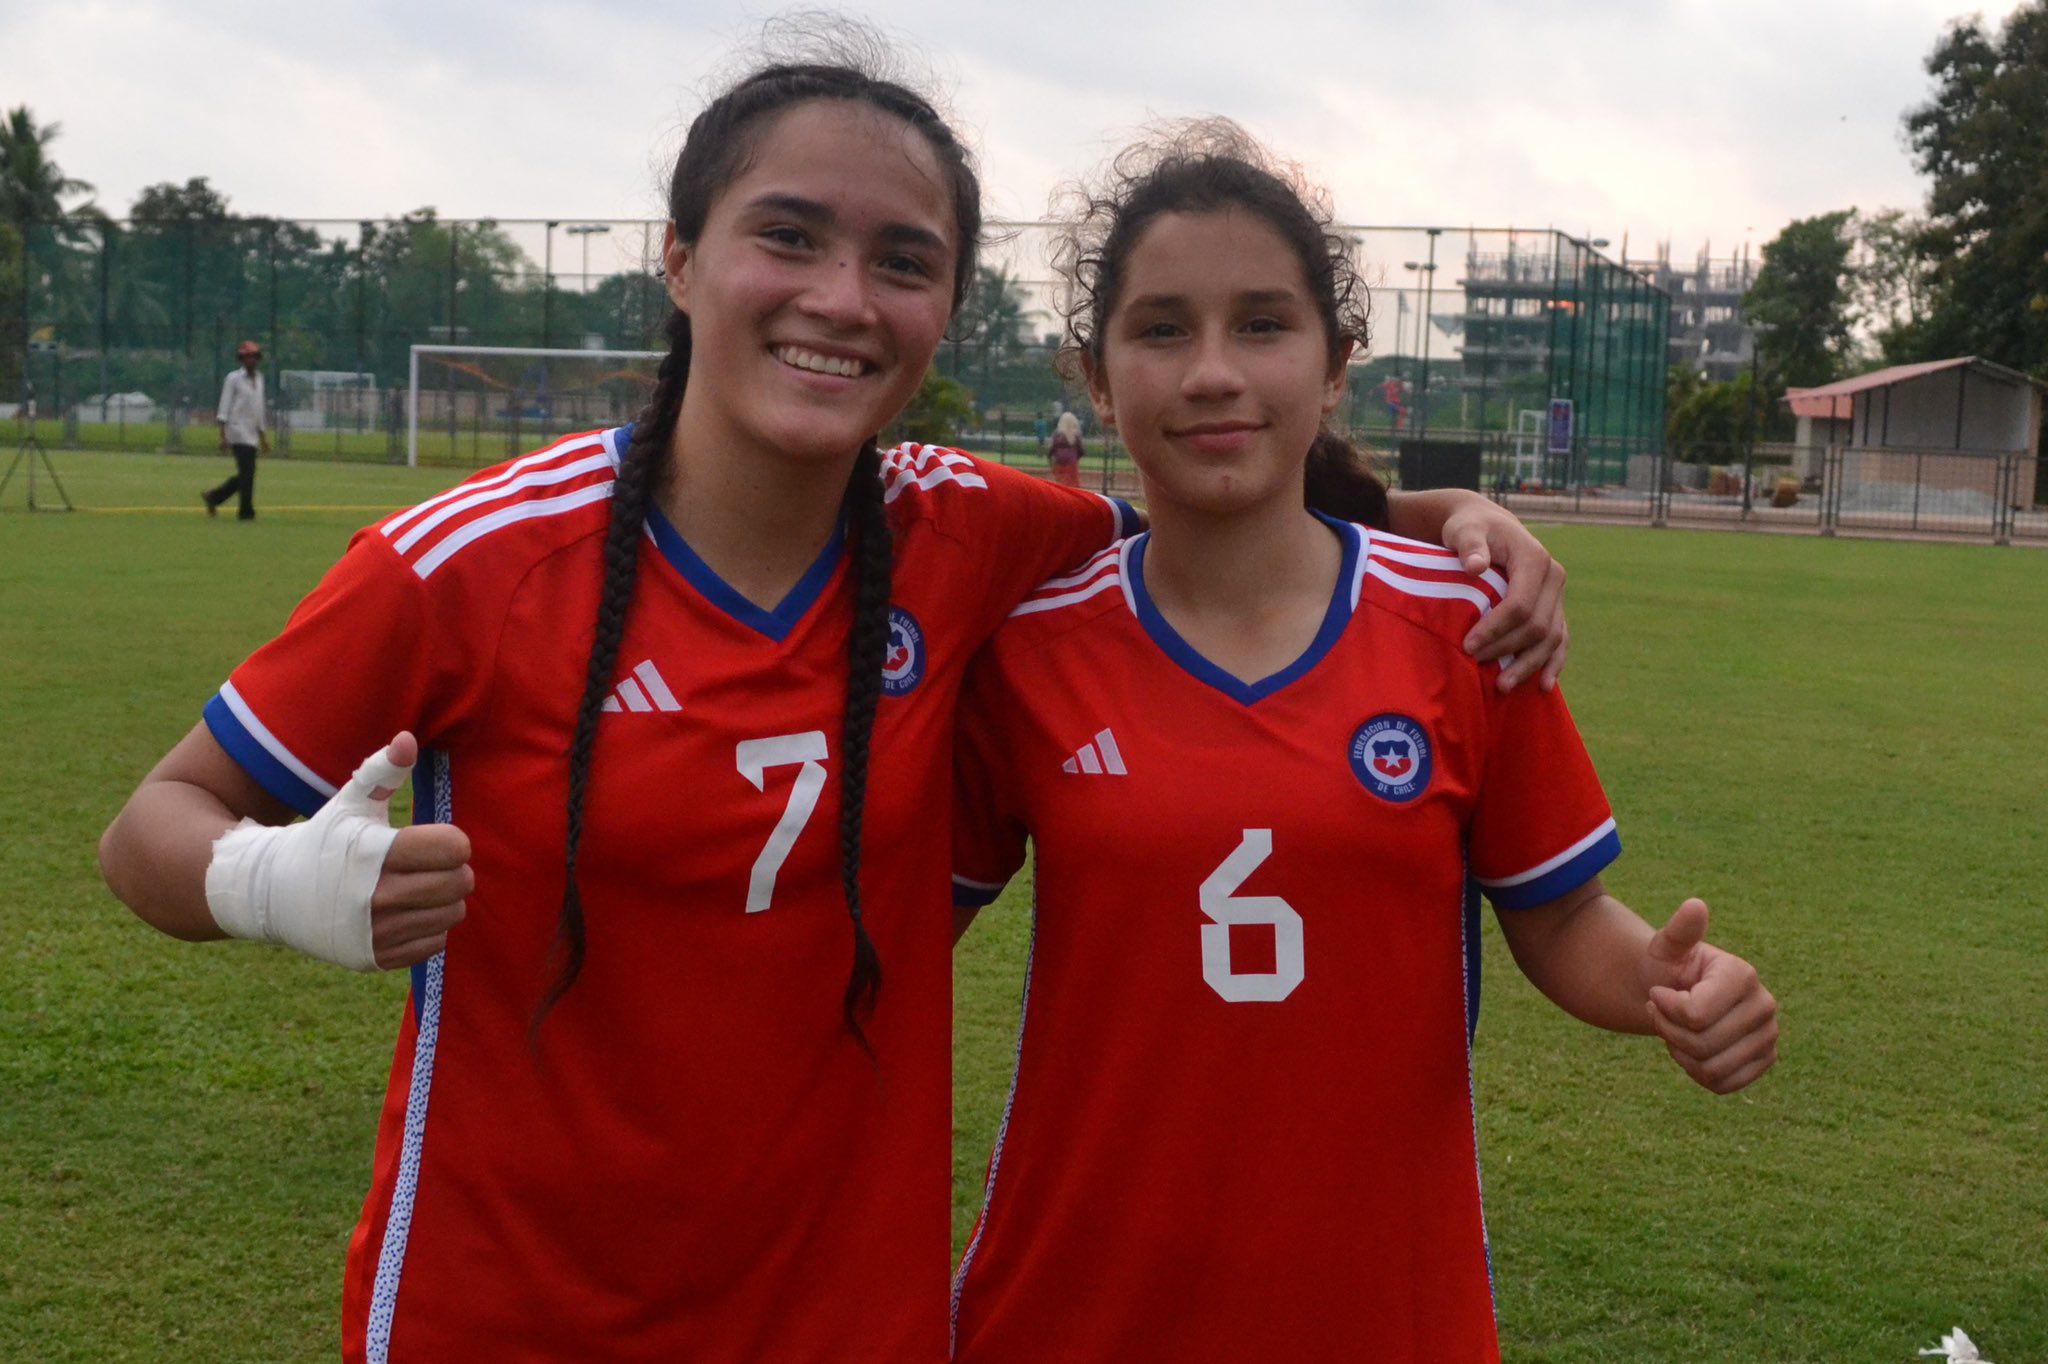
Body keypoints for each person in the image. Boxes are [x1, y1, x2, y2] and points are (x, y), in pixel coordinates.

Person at [98, 42, 1568, 1361]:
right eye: (787, 238)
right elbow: (152, 827)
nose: (840, 300)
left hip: (845, 1321)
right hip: (511, 1310)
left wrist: (1434, 517)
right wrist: (280, 877)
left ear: (944, 308)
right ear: (680, 259)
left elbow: (1221, 523)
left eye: (903, 260)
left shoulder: (973, 533)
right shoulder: (473, 565)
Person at [948, 125, 1778, 1362]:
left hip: (1384, 1305)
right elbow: (892, 931)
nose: (1213, 371)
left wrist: (1668, 986)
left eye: (1264, 325)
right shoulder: (1025, 647)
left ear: (1336, 366)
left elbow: (1556, 920)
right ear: (1093, 370)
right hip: (1074, 1304)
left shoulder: (1463, 624)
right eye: (1162, 328)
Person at [205, 340, 268, 519]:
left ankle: (214, 496)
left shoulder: (260, 379)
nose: (252, 361)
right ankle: (246, 511)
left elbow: (259, 409)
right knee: (248, 472)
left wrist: (263, 436)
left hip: (252, 432)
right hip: (237, 431)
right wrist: (222, 435)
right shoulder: (233, 378)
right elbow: (224, 405)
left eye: (255, 357)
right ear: (242, 359)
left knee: (247, 474)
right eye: (248, 357)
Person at [1045, 409, 1085, 487]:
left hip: (1058, 461)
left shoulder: (1056, 434)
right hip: (1072, 461)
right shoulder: (1075, 435)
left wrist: (1050, 459)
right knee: (1073, 483)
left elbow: (1051, 448)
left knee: (1059, 481)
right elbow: (1080, 450)